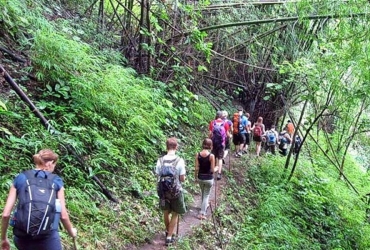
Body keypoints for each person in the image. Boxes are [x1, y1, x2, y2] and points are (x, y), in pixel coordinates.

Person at [1, 149, 77, 250]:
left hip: (22, 238)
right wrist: (71, 232)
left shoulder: (21, 177)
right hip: (47, 239)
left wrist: (3, 238)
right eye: (55, 165)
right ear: (50, 163)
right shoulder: (56, 180)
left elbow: (6, 214)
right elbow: (63, 215)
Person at [155, 137, 186, 246]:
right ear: (176, 147)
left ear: (166, 147)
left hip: (163, 192)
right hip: (176, 191)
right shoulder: (179, 160)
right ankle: (169, 237)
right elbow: (182, 179)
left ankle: (168, 231)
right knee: (175, 213)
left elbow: (157, 174)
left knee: (165, 212)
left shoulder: (160, 160)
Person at [194, 138, 218, 220]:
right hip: (209, 178)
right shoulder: (211, 156)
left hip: (200, 177)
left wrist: (195, 177)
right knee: (206, 195)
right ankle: (202, 213)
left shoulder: (198, 154)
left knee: (203, 193)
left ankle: (204, 205)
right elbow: (212, 170)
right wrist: (217, 168)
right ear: (211, 146)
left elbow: (196, 168)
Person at [209, 111, 229, 180]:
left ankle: (212, 171)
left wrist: (210, 140)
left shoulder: (212, 122)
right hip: (221, 144)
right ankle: (219, 174)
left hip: (213, 143)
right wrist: (230, 136)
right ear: (222, 116)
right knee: (220, 158)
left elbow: (210, 134)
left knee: (213, 156)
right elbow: (227, 134)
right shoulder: (225, 124)